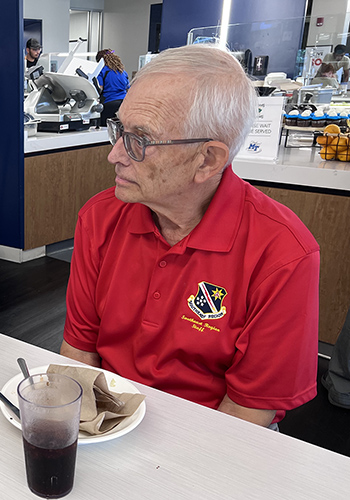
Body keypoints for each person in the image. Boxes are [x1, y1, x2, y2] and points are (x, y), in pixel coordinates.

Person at [61, 44, 319, 428]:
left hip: (214, 434)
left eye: (140, 139)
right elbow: (78, 354)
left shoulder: (282, 253)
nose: (115, 155)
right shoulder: (100, 217)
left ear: (208, 160)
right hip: (109, 419)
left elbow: (248, 412)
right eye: (120, 130)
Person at [90, 49, 129, 126]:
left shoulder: (102, 71)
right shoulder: (122, 71)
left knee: (105, 129)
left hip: (109, 103)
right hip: (124, 103)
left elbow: (100, 88)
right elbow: (128, 88)